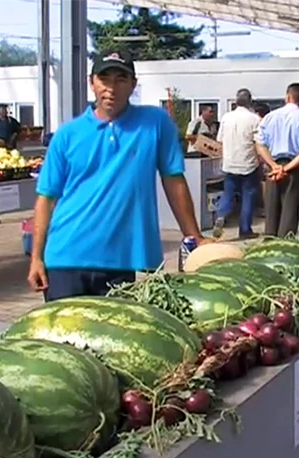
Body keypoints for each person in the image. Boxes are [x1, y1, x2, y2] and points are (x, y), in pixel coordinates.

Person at [27, 50, 210, 302]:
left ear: (133, 84)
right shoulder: (67, 135)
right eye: (104, 79)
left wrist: (194, 237)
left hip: (121, 261)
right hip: (65, 257)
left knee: (114, 338)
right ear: (92, 83)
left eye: (121, 79)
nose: (111, 88)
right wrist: (37, 258)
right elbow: (46, 199)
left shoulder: (155, 124)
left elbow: (174, 181)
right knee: (63, 340)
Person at [255, 83, 299, 237]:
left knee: (271, 212)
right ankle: (285, 244)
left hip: (272, 168)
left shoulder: (270, 117)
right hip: (293, 168)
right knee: (289, 214)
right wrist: (285, 169)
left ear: (287, 96)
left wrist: (274, 166)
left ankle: (269, 243)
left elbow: (260, 145)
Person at [212, 89, 261, 240]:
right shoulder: (254, 119)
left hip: (230, 163)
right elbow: (258, 143)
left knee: (228, 193)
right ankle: (245, 229)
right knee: (248, 196)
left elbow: (219, 140)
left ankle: (221, 215)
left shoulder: (226, 118)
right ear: (250, 101)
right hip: (248, 164)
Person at [253, 102, 271, 218]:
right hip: (270, 156)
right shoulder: (271, 122)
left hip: (262, 156)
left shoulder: (258, 123)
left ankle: (266, 207)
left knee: (263, 183)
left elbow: (257, 142)